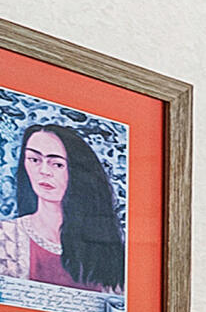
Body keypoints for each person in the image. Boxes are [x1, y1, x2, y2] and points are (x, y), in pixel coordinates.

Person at [10, 123, 124, 292]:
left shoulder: (107, 249)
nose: (44, 171)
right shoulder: (7, 237)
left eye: (56, 164)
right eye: (34, 160)